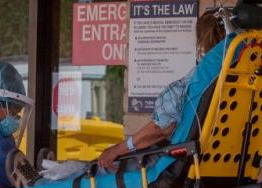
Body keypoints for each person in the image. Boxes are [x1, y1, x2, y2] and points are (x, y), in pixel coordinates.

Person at [95, 9, 226, 171]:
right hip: (221, 161)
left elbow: (160, 129)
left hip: (173, 165)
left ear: (201, 41)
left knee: (87, 172)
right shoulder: (237, 81)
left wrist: (117, 150)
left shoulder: (194, 83)